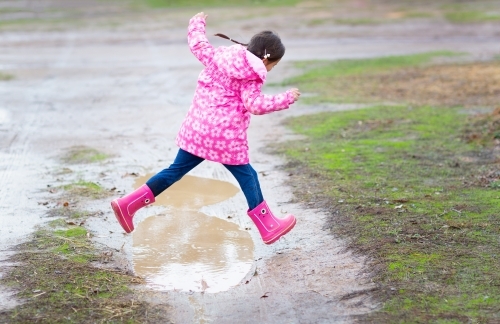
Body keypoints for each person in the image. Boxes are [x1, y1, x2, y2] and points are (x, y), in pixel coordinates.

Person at [111, 12, 301, 245]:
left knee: (174, 170)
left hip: (198, 130)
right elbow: (254, 105)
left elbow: (198, 44)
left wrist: (196, 22)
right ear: (265, 60)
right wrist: (285, 98)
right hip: (225, 138)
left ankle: (127, 205)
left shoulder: (220, 56)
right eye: (273, 65)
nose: (271, 70)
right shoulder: (251, 76)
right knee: (248, 175)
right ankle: (268, 226)